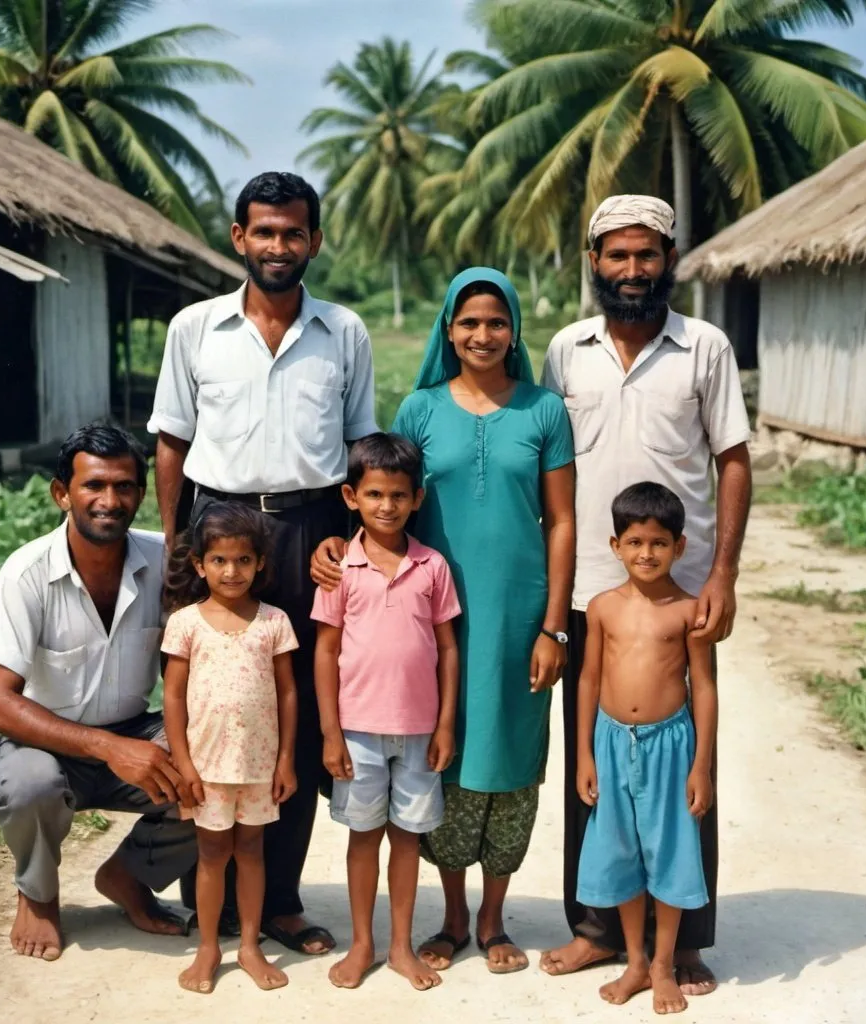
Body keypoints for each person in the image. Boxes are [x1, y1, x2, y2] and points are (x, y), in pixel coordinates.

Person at [312, 268, 576, 975]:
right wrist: (341, 544)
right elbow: (386, 495)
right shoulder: (420, 409)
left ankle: (494, 919)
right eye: (469, 322)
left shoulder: (545, 411)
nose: (483, 335)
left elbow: (562, 522)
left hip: (519, 610)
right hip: (429, 612)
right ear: (448, 331)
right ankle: (452, 917)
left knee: (511, 760)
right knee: (445, 760)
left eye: (497, 322)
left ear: (515, 330)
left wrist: (554, 626)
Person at [147, 171, 378, 954]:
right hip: (215, 529)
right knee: (213, 701)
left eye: (294, 232)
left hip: (311, 526)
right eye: (264, 232)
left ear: (314, 240)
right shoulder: (195, 329)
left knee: (301, 712)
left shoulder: (344, 331)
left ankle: (278, 900)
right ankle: (206, 901)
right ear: (239, 238)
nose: (279, 246)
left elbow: (357, 449)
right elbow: (172, 444)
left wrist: (344, 535)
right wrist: (180, 550)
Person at [539, 195, 752, 995]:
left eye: (648, 256)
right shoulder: (566, 350)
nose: (633, 271)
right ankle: (596, 929)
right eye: (617, 256)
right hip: (592, 597)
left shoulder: (705, 347)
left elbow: (732, 460)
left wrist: (722, 575)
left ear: (671, 260)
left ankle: (685, 940)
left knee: (684, 775)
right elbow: (550, 472)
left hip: (680, 602)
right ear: (593, 261)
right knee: (592, 768)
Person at [0, 422, 197, 963]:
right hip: (42, 741)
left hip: (132, 729)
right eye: (93, 486)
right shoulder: (26, 573)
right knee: (29, 785)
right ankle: (38, 893)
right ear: (62, 494)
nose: (109, 500)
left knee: (222, 759)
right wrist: (106, 747)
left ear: (141, 495)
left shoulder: (165, 563)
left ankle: (128, 875)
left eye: (124, 486)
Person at [312, 434, 461, 992]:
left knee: (407, 839)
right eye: (374, 494)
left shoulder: (431, 566)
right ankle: (362, 944)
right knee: (363, 837)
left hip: (420, 731)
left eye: (399, 495)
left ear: (417, 499)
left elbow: (447, 647)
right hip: (357, 732)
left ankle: (401, 946)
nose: (387, 506)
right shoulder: (340, 569)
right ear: (351, 496)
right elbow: (326, 650)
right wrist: (331, 732)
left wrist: (444, 724)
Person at [577, 482, 717, 1015]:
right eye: (634, 542)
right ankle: (635, 960)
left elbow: (703, 686)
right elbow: (589, 678)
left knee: (669, 850)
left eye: (659, 543)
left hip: (670, 747)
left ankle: (663, 964)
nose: (646, 554)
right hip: (612, 743)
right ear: (615, 545)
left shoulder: (688, 611)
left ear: (679, 547)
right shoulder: (602, 608)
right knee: (621, 850)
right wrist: (586, 754)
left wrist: (701, 764)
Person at [162, 503, 299, 994]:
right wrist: (182, 763)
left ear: (260, 561)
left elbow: (287, 692)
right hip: (205, 766)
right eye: (219, 560)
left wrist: (285, 760)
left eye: (243, 560)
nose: (231, 571)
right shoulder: (185, 623)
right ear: (199, 564)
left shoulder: (274, 622)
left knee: (252, 852)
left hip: (259, 765)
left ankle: (248, 945)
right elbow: (173, 695)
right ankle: (207, 948)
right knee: (212, 854)